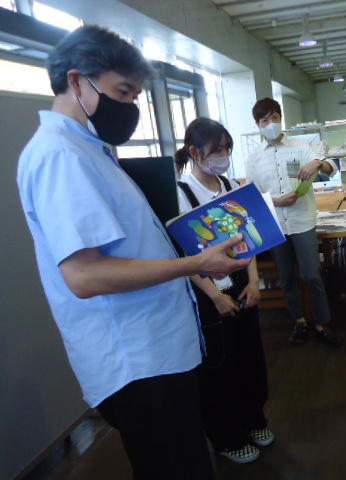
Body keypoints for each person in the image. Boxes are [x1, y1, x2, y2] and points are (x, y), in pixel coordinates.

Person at [16, 25, 250, 479]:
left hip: (156, 349)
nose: (131, 108)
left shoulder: (89, 150)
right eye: (123, 92)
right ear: (78, 81)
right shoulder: (60, 155)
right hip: (137, 361)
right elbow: (84, 276)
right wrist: (196, 264)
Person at [174, 118, 272, 464]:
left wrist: (255, 281)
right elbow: (183, 256)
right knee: (220, 366)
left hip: (242, 282)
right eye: (217, 150)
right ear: (195, 152)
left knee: (250, 358)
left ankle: (254, 419)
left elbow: (249, 239)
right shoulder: (181, 193)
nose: (224, 156)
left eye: (227, 149)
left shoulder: (230, 185)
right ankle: (228, 438)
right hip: (209, 290)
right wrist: (215, 296)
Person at [246, 98, 343, 347]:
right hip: (276, 224)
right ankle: (299, 321)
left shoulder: (302, 147)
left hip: (303, 221)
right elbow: (253, 195)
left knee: (312, 274)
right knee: (286, 277)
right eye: (264, 120)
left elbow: (331, 167)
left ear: (281, 118)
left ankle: (323, 323)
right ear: (258, 125)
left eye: (274, 118)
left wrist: (317, 163)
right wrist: (275, 201)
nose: (271, 124)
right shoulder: (254, 157)